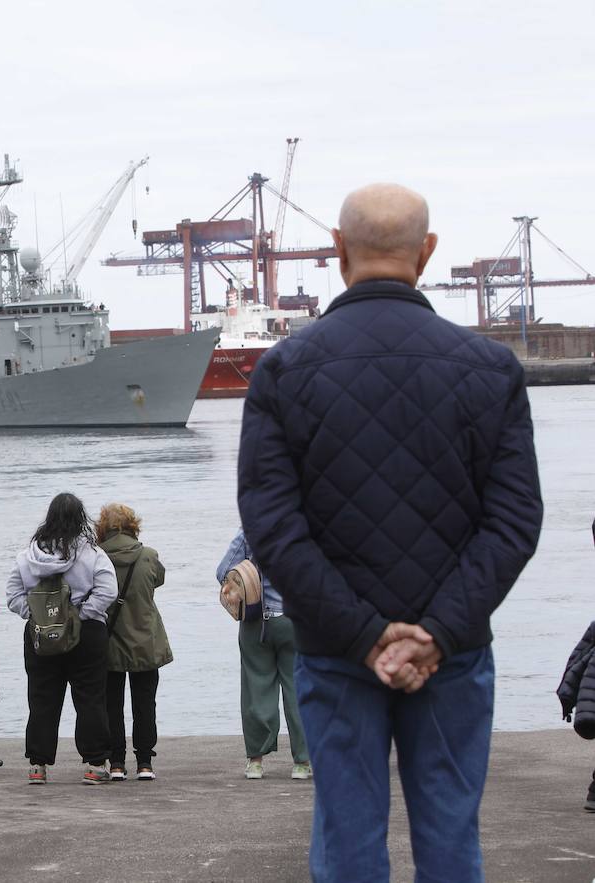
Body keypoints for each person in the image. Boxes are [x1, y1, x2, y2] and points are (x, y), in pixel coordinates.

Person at [238, 183, 543, 882]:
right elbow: (515, 520)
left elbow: (273, 528)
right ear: (427, 252)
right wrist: (437, 629)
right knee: (450, 842)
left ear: (339, 250)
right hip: (455, 652)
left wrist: (363, 632)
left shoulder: (283, 371)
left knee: (346, 843)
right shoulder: (492, 370)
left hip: (337, 650)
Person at [5, 492, 118, 785]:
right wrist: (81, 616)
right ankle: (94, 764)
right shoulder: (92, 554)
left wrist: (36, 615)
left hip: (41, 635)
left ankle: (37, 766)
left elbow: (13, 595)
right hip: (87, 634)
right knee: (90, 697)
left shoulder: (28, 557)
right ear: (81, 519)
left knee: (42, 698)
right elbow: (108, 591)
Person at [217, 529, 311, 781]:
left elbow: (223, 570)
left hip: (255, 620)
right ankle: (302, 762)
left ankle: (255, 762)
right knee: (297, 688)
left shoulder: (249, 529)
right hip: (294, 619)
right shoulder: (303, 527)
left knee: (256, 687)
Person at [96, 502, 170, 781]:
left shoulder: (97, 558)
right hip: (145, 642)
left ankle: (116, 763)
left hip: (110, 641)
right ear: (132, 526)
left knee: (111, 705)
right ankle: (145, 764)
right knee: (145, 703)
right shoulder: (148, 556)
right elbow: (158, 580)